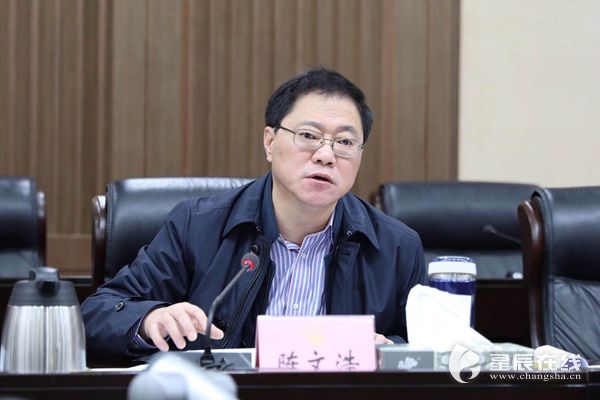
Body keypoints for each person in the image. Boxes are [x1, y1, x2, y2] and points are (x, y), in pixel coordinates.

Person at [81, 67, 427, 361]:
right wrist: (149, 320)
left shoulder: (397, 247)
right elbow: (97, 314)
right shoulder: (197, 226)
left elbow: (429, 351)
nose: (326, 155)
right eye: (309, 135)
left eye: (345, 142)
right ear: (270, 142)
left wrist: (392, 351)